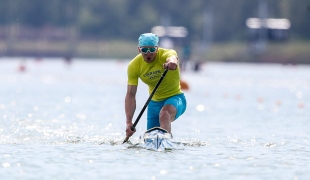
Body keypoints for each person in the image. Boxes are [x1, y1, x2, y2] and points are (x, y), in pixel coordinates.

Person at [125, 33, 187, 138]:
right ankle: (161, 139)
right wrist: (129, 122)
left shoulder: (167, 53)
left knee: (164, 114)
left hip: (175, 98)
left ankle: (166, 139)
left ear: (157, 49)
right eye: (144, 50)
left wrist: (172, 62)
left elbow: (172, 57)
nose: (148, 53)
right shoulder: (134, 66)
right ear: (139, 50)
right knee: (150, 136)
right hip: (153, 104)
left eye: (152, 50)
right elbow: (130, 95)